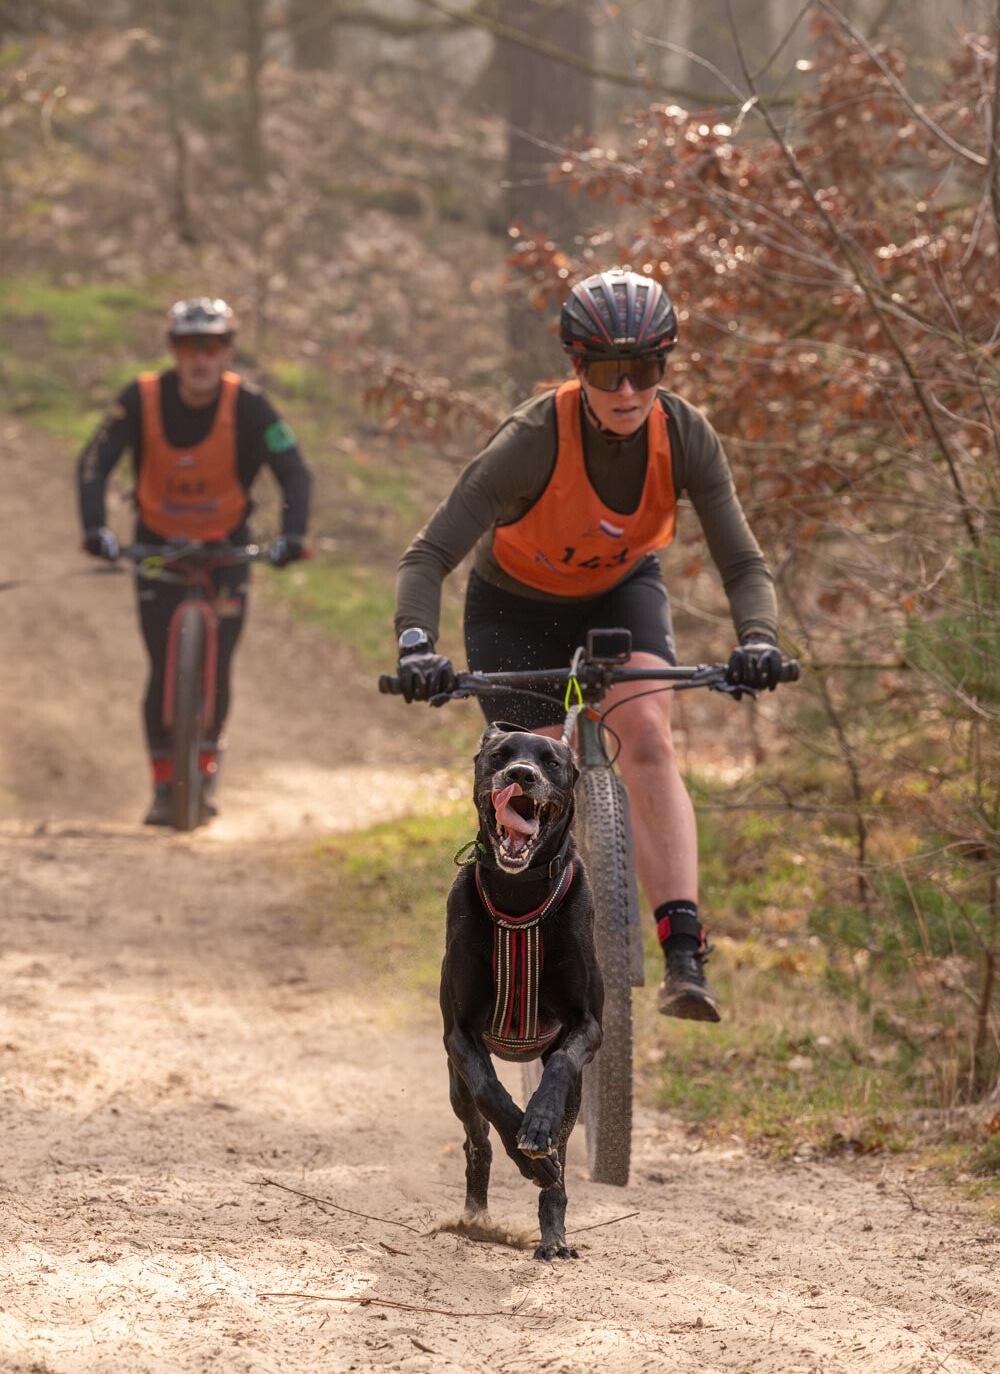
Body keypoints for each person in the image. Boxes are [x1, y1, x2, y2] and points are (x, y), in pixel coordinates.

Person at [391, 268, 783, 1023]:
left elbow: (743, 563)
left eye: (646, 369)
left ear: (664, 367)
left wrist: (758, 640)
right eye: (608, 372)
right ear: (578, 367)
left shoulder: (685, 436)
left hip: (618, 592)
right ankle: (524, 963)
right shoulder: (532, 440)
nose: (628, 390)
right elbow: (427, 555)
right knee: (534, 771)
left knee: (649, 736)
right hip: (514, 609)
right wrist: (415, 646)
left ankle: (683, 951)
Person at [77, 297, 311, 826]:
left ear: (227, 349)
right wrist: (95, 528)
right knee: (161, 663)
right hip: (158, 547)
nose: (201, 358)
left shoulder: (251, 406)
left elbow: (295, 472)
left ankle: (204, 771)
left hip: (226, 549)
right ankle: (164, 784)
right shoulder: (138, 400)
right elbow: (93, 463)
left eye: (212, 346)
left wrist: (292, 537)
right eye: (189, 346)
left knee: (219, 663)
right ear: (173, 349)